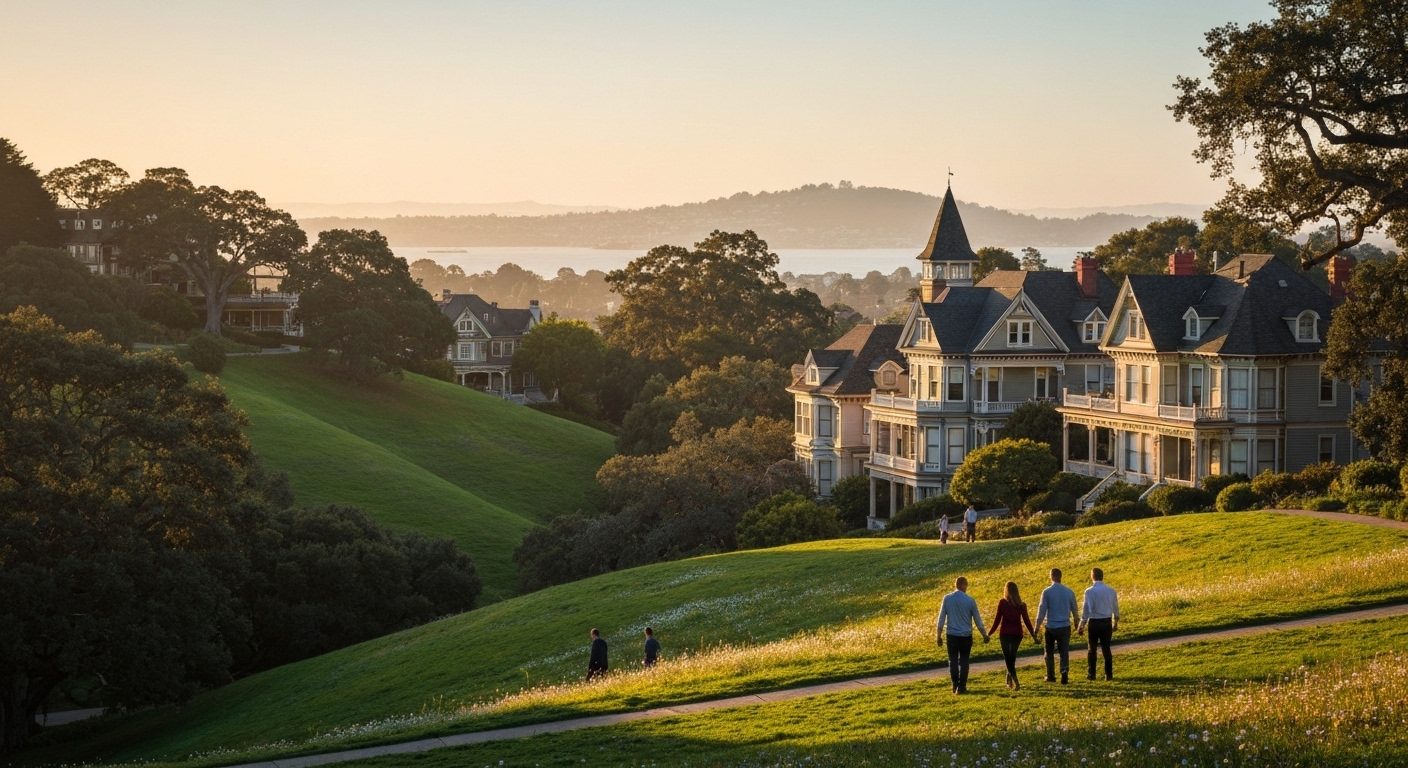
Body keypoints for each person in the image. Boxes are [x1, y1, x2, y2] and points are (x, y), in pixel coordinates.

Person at [936, 576, 989, 694]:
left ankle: (955, 684)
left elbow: (941, 619)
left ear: (956, 585)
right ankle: (962, 686)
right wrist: (984, 634)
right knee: (964, 661)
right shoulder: (970, 600)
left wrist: (938, 635)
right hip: (966, 636)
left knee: (953, 660)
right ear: (964, 585)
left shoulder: (947, 599)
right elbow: (977, 620)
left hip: (952, 635)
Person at [1035, 568, 1080, 684]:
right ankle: (1064, 670)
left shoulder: (1047, 592)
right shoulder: (1069, 592)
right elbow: (1074, 609)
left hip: (1051, 626)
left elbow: (1042, 611)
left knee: (1049, 652)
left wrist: (1036, 627)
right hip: (1064, 626)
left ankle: (1051, 675)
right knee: (1064, 651)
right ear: (1060, 576)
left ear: (1051, 576)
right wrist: (1077, 623)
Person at [989, 581, 1037, 690]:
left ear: (1006, 591)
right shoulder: (1021, 605)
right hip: (1017, 634)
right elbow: (1027, 621)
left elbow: (997, 621)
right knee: (1012, 658)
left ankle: (1016, 682)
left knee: (1008, 659)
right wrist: (1033, 635)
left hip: (1005, 634)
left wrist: (989, 634)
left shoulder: (1002, 603)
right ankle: (1009, 678)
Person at [1077, 567, 1120, 681]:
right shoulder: (1111, 591)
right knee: (1106, 648)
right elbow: (1115, 608)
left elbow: (1086, 610)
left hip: (1094, 622)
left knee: (1092, 649)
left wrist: (1082, 625)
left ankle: (1092, 674)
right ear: (1102, 576)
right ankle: (1108, 674)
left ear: (1092, 576)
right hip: (1106, 622)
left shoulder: (1089, 591)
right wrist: (1115, 622)